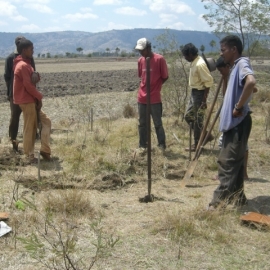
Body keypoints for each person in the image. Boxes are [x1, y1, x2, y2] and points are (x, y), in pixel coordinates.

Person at [208, 35, 256, 210]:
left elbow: (251, 82)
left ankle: (216, 204)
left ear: (233, 49)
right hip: (233, 125)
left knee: (227, 164)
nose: (221, 53)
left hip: (238, 123)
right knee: (234, 163)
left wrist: (238, 106)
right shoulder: (235, 67)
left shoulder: (242, 63)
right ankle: (238, 199)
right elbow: (250, 86)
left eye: (223, 50)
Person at [215, 56, 258, 181]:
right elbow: (225, 94)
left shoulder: (239, 71)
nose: (220, 73)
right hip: (231, 117)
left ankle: (239, 174)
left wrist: (238, 106)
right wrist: (224, 79)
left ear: (227, 67)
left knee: (238, 146)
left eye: (221, 70)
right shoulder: (229, 76)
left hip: (238, 117)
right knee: (235, 146)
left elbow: (253, 87)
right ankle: (234, 174)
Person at [13, 39, 51, 163]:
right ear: (24, 50)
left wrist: (36, 73)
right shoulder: (23, 65)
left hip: (30, 99)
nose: (33, 51)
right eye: (31, 49)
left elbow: (32, 79)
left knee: (46, 121)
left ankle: (45, 150)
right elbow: (28, 86)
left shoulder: (26, 64)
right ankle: (29, 156)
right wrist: (39, 96)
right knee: (30, 128)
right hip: (26, 100)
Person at [4, 36, 38, 151]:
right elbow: (7, 77)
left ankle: (33, 138)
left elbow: (33, 72)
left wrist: (36, 75)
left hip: (28, 94)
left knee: (31, 117)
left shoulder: (29, 58)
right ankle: (13, 140)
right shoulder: (10, 58)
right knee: (15, 117)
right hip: (15, 94)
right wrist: (10, 93)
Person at [135, 38, 168, 151]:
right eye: (139, 50)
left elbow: (165, 76)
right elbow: (141, 77)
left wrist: (156, 87)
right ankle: (142, 145)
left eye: (142, 50)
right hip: (142, 97)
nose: (140, 52)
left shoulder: (160, 59)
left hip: (154, 98)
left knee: (157, 123)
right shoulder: (140, 60)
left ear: (148, 48)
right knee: (142, 123)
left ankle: (162, 145)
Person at [181, 43, 214, 152]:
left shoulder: (200, 64)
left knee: (197, 120)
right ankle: (205, 135)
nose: (185, 58)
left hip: (200, 93)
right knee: (188, 117)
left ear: (190, 54)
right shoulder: (195, 62)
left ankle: (197, 144)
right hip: (194, 92)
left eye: (185, 56)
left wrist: (204, 101)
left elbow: (208, 83)